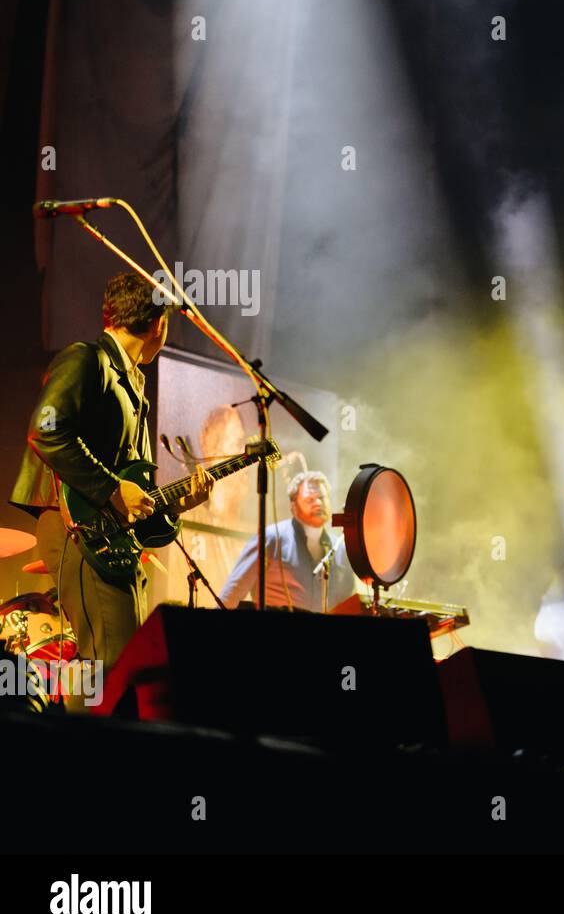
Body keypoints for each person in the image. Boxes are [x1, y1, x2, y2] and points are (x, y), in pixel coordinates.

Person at [10, 272, 212, 703]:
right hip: (73, 525)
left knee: (121, 666)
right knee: (106, 664)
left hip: (108, 537)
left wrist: (173, 507)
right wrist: (111, 489)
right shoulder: (85, 360)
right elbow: (46, 430)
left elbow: (132, 490)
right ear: (159, 324)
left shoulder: (133, 382)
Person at [218, 470, 356, 612]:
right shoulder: (271, 538)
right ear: (294, 507)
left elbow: (351, 604)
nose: (318, 503)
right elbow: (230, 596)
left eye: (322, 497)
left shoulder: (341, 549)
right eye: (310, 499)